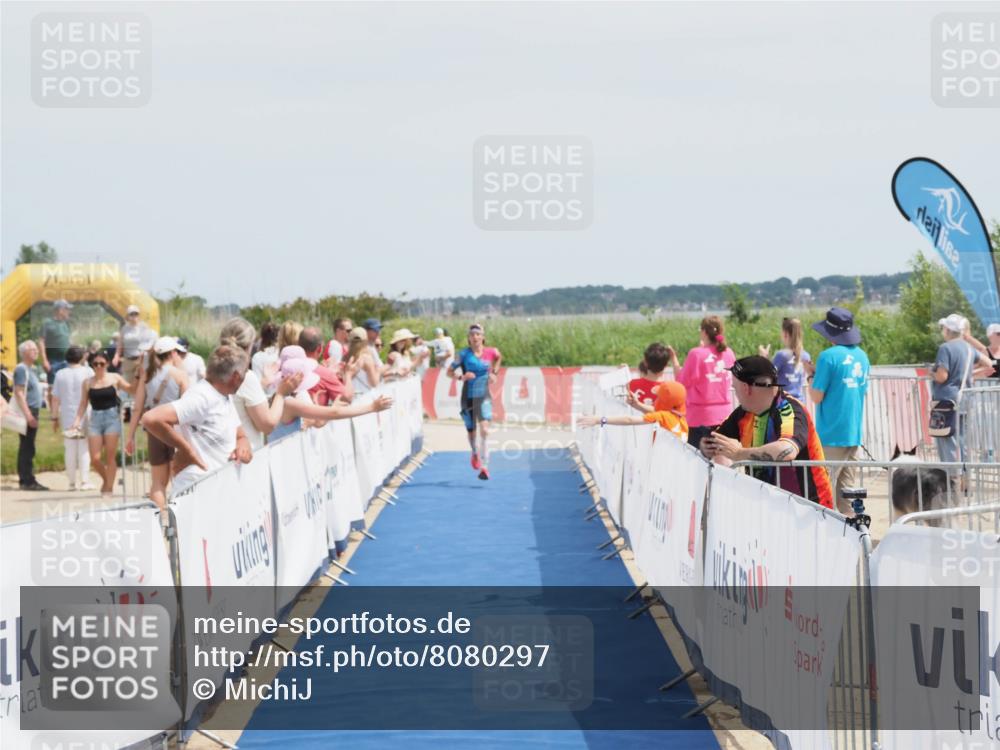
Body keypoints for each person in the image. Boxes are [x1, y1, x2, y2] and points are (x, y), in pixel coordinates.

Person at [701, 356, 833, 509]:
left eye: (735, 388)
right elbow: (712, 441)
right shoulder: (743, 413)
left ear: (746, 388)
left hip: (809, 509)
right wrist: (709, 448)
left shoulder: (788, 409)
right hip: (770, 507)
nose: (736, 395)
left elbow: (787, 450)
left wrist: (739, 454)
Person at [141, 345, 253, 496]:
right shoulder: (201, 397)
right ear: (236, 376)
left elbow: (240, 434)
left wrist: (243, 446)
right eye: (246, 371)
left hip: (217, 490)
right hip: (197, 493)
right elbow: (150, 418)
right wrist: (187, 450)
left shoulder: (224, 394)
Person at [804, 307, 869, 514]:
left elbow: (816, 396)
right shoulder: (862, 356)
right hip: (853, 433)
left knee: (823, 491)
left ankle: (824, 538)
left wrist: (811, 377)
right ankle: (851, 539)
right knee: (847, 495)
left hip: (831, 433)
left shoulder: (827, 357)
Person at [271, 345, 393, 441]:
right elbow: (334, 412)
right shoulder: (289, 402)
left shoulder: (286, 397)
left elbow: (318, 422)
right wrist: (371, 407)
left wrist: (315, 414)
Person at [124, 336, 190, 509]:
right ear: (173, 353)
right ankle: (178, 523)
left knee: (158, 483)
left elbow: (137, 408)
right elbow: (189, 408)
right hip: (177, 432)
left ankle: (160, 523)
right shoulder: (180, 375)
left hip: (154, 431)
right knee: (180, 480)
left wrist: (130, 437)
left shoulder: (147, 376)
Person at [220, 317, 299, 450]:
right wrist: (281, 393)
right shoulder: (245, 376)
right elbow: (267, 425)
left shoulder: (214, 372)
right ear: (250, 345)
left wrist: (262, 383)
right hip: (246, 453)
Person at [72, 351, 134, 498]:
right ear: (91, 365)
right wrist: (76, 421)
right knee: (95, 458)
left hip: (112, 417)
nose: (99, 366)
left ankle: (109, 487)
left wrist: (139, 376)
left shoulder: (115, 378)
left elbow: (131, 390)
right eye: (95, 364)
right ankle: (107, 480)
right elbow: (83, 404)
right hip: (95, 418)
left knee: (110, 456)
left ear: (107, 364)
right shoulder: (87, 382)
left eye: (102, 363)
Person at [667, 315, 736, 448]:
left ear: (704, 332)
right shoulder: (729, 353)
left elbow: (681, 383)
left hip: (700, 418)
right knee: (722, 462)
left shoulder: (696, 354)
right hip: (725, 416)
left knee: (698, 462)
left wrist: (674, 360)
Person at [930, 313, 988, 467]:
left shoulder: (945, 348)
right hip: (966, 400)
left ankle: (952, 481)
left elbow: (942, 376)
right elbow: (988, 363)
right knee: (963, 441)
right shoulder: (968, 348)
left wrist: (931, 372)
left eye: (944, 328)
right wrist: (969, 374)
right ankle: (965, 478)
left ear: (948, 330)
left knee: (947, 439)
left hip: (947, 401)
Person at [449, 323, 502, 480]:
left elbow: (498, 358)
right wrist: (461, 377)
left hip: (484, 395)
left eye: (478, 334)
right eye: (472, 335)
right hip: (468, 396)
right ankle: (474, 452)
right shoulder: (463, 354)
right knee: (471, 431)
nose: (475, 337)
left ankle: (485, 467)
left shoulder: (491, 352)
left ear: (483, 337)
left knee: (485, 429)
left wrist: (495, 373)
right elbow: (449, 371)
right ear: (469, 338)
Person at [50, 345, 95, 490]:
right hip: (85, 414)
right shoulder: (88, 371)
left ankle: (71, 482)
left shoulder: (60, 374)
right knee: (84, 448)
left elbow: (55, 398)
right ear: (81, 357)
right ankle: (84, 480)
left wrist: (54, 417)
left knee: (69, 448)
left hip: (67, 414)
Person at [581, 381, 689, 442]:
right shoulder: (679, 418)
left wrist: (600, 420)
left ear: (664, 402)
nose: (656, 399)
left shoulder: (662, 416)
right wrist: (637, 405)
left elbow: (629, 420)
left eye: (658, 397)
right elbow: (657, 411)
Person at [13, 341, 47, 490]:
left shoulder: (31, 369)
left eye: (36, 349)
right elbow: (19, 392)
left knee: (28, 446)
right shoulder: (21, 369)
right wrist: (29, 416)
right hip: (28, 411)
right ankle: (27, 480)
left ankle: (26, 478)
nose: (36, 352)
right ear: (24, 352)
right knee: (27, 447)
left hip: (33, 410)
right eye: (32, 349)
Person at [759, 317, 811, 402]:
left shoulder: (782, 355)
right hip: (800, 404)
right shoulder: (806, 356)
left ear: (785, 334)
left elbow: (768, 376)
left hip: (784, 405)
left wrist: (763, 359)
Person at [299, 327, 353, 405]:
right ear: (319, 348)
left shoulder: (287, 366)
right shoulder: (325, 374)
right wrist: (348, 374)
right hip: (315, 416)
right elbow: (347, 398)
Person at [113, 305, 156, 386]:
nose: (134, 316)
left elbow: (149, 342)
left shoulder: (144, 327)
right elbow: (120, 344)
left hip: (141, 359)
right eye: (131, 314)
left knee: (142, 383)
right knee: (128, 383)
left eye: (136, 314)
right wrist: (116, 356)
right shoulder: (124, 329)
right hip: (128, 360)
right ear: (127, 316)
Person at [37, 299, 73, 385]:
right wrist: (44, 361)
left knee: (66, 386)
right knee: (53, 387)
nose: (69, 312)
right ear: (60, 310)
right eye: (67, 309)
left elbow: (68, 341)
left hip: (67, 361)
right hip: (53, 362)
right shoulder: (47, 323)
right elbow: (41, 342)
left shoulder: (66, 324)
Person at [628, 343, 672, 407]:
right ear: (666, 365)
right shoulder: (669, 389)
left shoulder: (630, 384)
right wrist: (674, 358)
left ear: (645, 362)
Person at [345, 328, 381, 394]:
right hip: (364, 397)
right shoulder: (366, 358)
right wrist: (378, 371)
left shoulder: (345, 357)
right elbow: (374, 383)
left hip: (350, 396)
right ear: (366, 340)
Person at [251, 322, 281, 396]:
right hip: (280, 396)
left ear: (262, 337)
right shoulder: (281, 353)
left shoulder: (257, 357)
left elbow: (258, 383)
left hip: (264, 398)